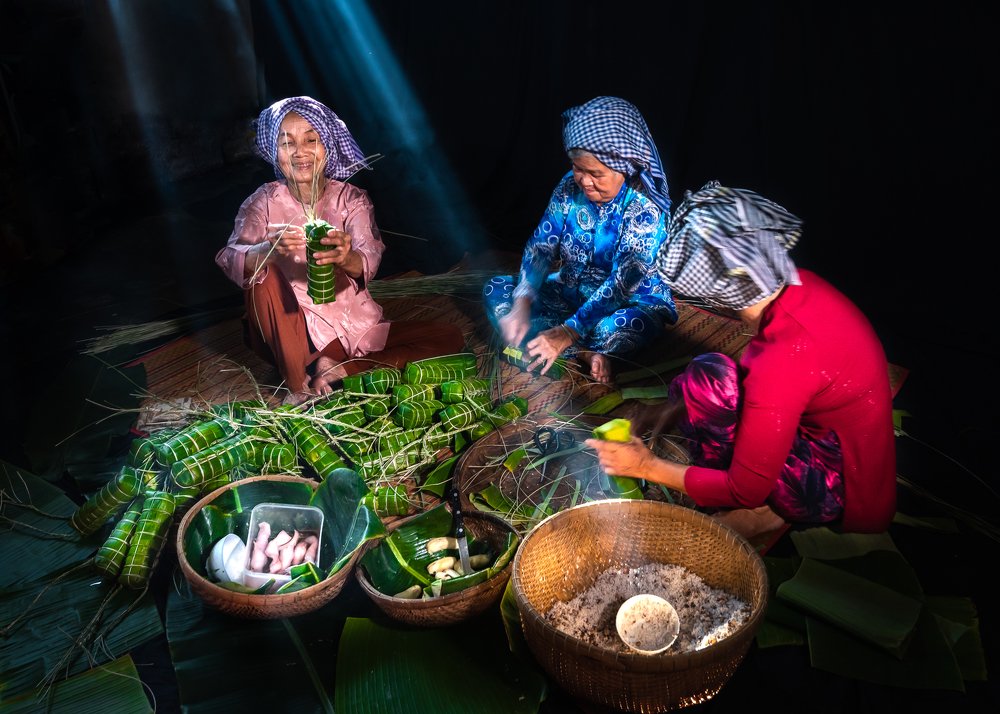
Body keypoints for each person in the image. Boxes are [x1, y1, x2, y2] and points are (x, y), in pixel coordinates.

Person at [586, 181, 896, 539]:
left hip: (840, 484)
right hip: (827, 431)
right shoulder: (797, 286)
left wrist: (647, 466)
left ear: (715, 297)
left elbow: (744, 488)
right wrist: (671, 409)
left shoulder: (781, 360)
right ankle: (767, 497)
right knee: (705, 376)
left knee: (740, 468)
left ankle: (771, 512)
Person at [216, 96, 465, 405]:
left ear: (327, 146)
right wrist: (269, 249)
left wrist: (347, 258)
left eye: (311, 139)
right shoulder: (263, 202)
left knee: (449, 338)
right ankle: (298, 385)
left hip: (352, 329)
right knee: (262, 277)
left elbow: (368, 256)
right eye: (287, 143)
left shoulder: (351, 199)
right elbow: (229, 257)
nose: (300, 152)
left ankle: (341, 370)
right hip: (292, 335)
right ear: (273, 151)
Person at [482, 96, 678, 385]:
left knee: (618, 328)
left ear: (624, 165)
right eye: (578, 168)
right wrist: (522, 303)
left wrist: (568, 331)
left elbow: (621, 285)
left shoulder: (644, 209)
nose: (584, 181)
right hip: (569, 293)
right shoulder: (567, 186)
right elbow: (541, 246)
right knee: (497, 289)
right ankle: (586, 353)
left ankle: (571, 344)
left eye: (596, 173)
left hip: (627, 303)